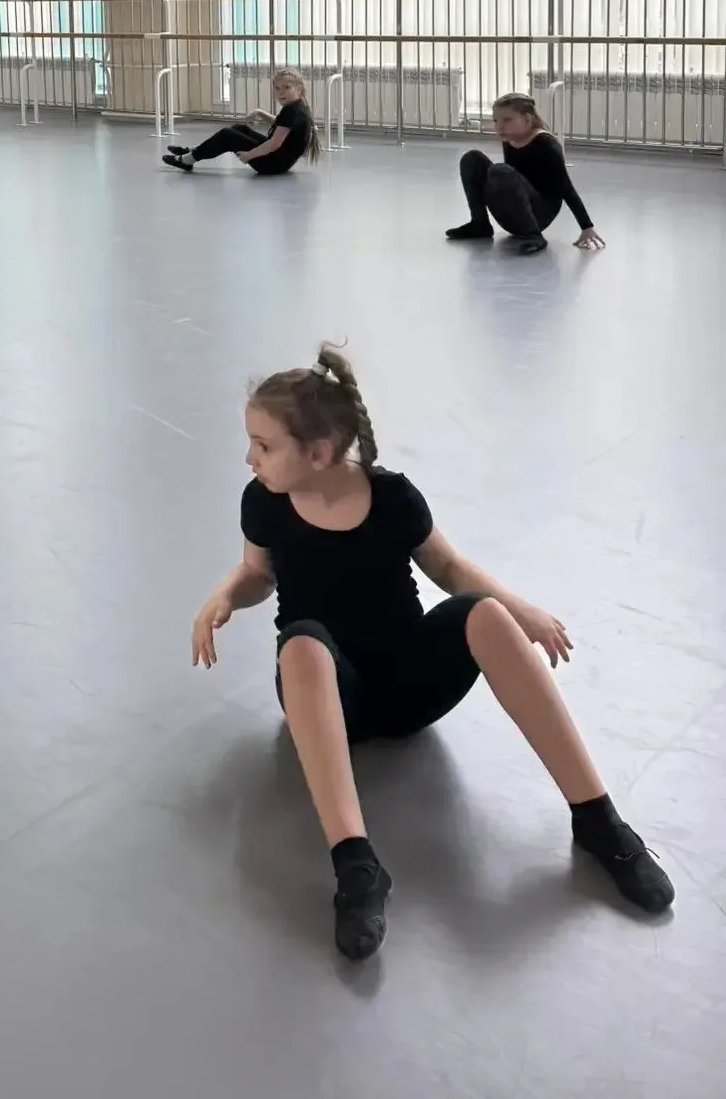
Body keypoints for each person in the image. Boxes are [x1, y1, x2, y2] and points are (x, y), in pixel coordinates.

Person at [190, 343, 673, 962]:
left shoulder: (392, 497)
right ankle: (357, 865)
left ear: (318, 453)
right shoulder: (263, 502)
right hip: (330, 696)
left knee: (487, 613)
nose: (249, 458)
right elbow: (258, 573)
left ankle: (598, 818)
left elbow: (448, 567)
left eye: (263, 445)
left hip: (409, 686)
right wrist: (226, 595)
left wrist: (521, 609)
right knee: (303, 643)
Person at [447, 93, 603, 255]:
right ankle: (480, 223)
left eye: (507, 120)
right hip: (515, 209)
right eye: (496, 120)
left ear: (528, 119)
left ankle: (534, 236)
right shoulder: (511, 138)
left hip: (539, 214)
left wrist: (587, 226)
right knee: (472, 158)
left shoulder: (546, 144)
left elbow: (566, 188)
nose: (499, 126)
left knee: (500, 171)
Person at [163, 68, 320, 174]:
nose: (281, 92)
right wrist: (260, 113)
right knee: (239, 129)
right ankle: (191, 151)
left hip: (273, 164)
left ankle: (187, 159)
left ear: (298, 88)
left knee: (227, 135)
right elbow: (283, 126)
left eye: (286, 87)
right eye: (277, 88)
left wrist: (249, 155)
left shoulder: (292, 110)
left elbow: (274, 144)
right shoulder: (298, 105)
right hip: (280, 161)